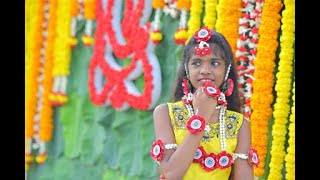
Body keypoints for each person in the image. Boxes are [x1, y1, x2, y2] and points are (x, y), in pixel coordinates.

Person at [149, 26, 260, 180]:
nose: (205, 70)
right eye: (196, 63)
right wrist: (201, 116)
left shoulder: (239, 124)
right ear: (186, 69)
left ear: (226, 70)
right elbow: (171, 174)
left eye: (215, 63)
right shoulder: (165, 113)